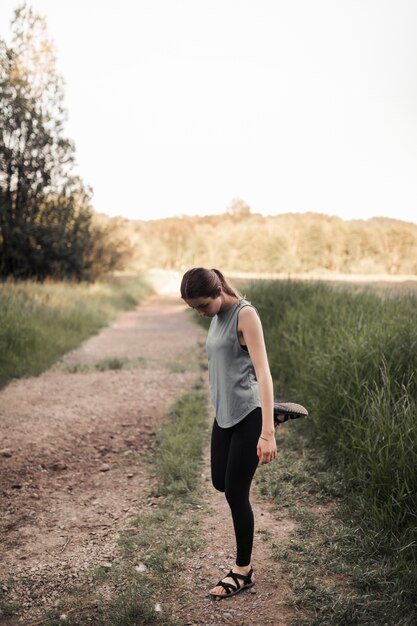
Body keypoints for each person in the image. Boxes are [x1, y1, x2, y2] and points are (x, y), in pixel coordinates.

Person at [180, 267, 277, 600]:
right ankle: (273, 414)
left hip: (249, 413)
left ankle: (243, 571)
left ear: (218, 291)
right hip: (225, 414)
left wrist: (266, 434)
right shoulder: (216, 315)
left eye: (202, 306)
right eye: (194, 308)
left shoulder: (244, 315)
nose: (200, 312)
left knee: (236, 493)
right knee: (220, 481)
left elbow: (264, 374)